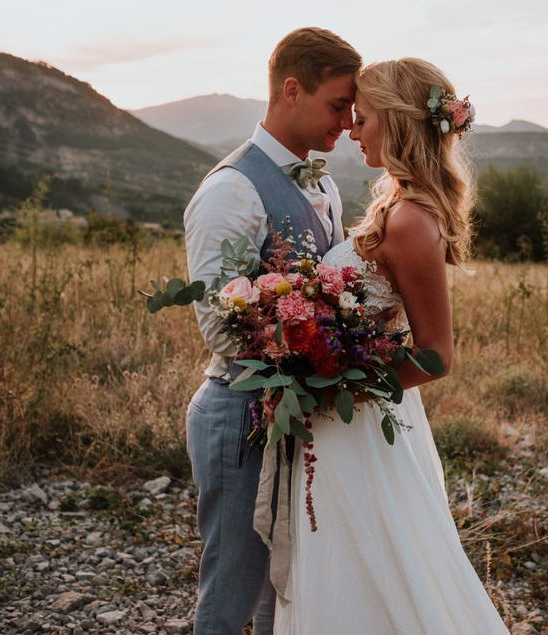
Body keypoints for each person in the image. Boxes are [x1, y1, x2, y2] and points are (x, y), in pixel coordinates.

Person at [273, 58, 510, 634]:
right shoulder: (396, 206)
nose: (353, 131)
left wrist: (335, 389)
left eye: (365, 118)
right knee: (350, 561)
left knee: (369, 565)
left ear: (400, 125)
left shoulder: (410, 220)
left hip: (357, 419)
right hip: (344, 417)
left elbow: (435, 355)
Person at [182, 27, 361, 635]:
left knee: (283, 593)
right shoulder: (231, 189)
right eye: (339, 104)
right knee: (231, 597)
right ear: (292, 89)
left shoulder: (325, 182)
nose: (348, 121)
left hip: (295, 414)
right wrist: (313, 332)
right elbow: (219, 324)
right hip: (238, 412)